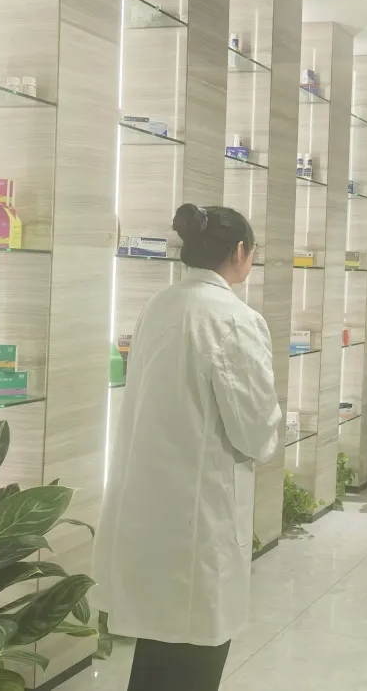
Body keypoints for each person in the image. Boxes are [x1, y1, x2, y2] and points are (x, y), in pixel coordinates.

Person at [93, 204, 282, 691]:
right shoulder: (234, 319)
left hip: (146, 508)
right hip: (199, 517)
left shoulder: (159, 305)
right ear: (239, 251)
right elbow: (256, 432)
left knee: (156, 648)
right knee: (196, 651)